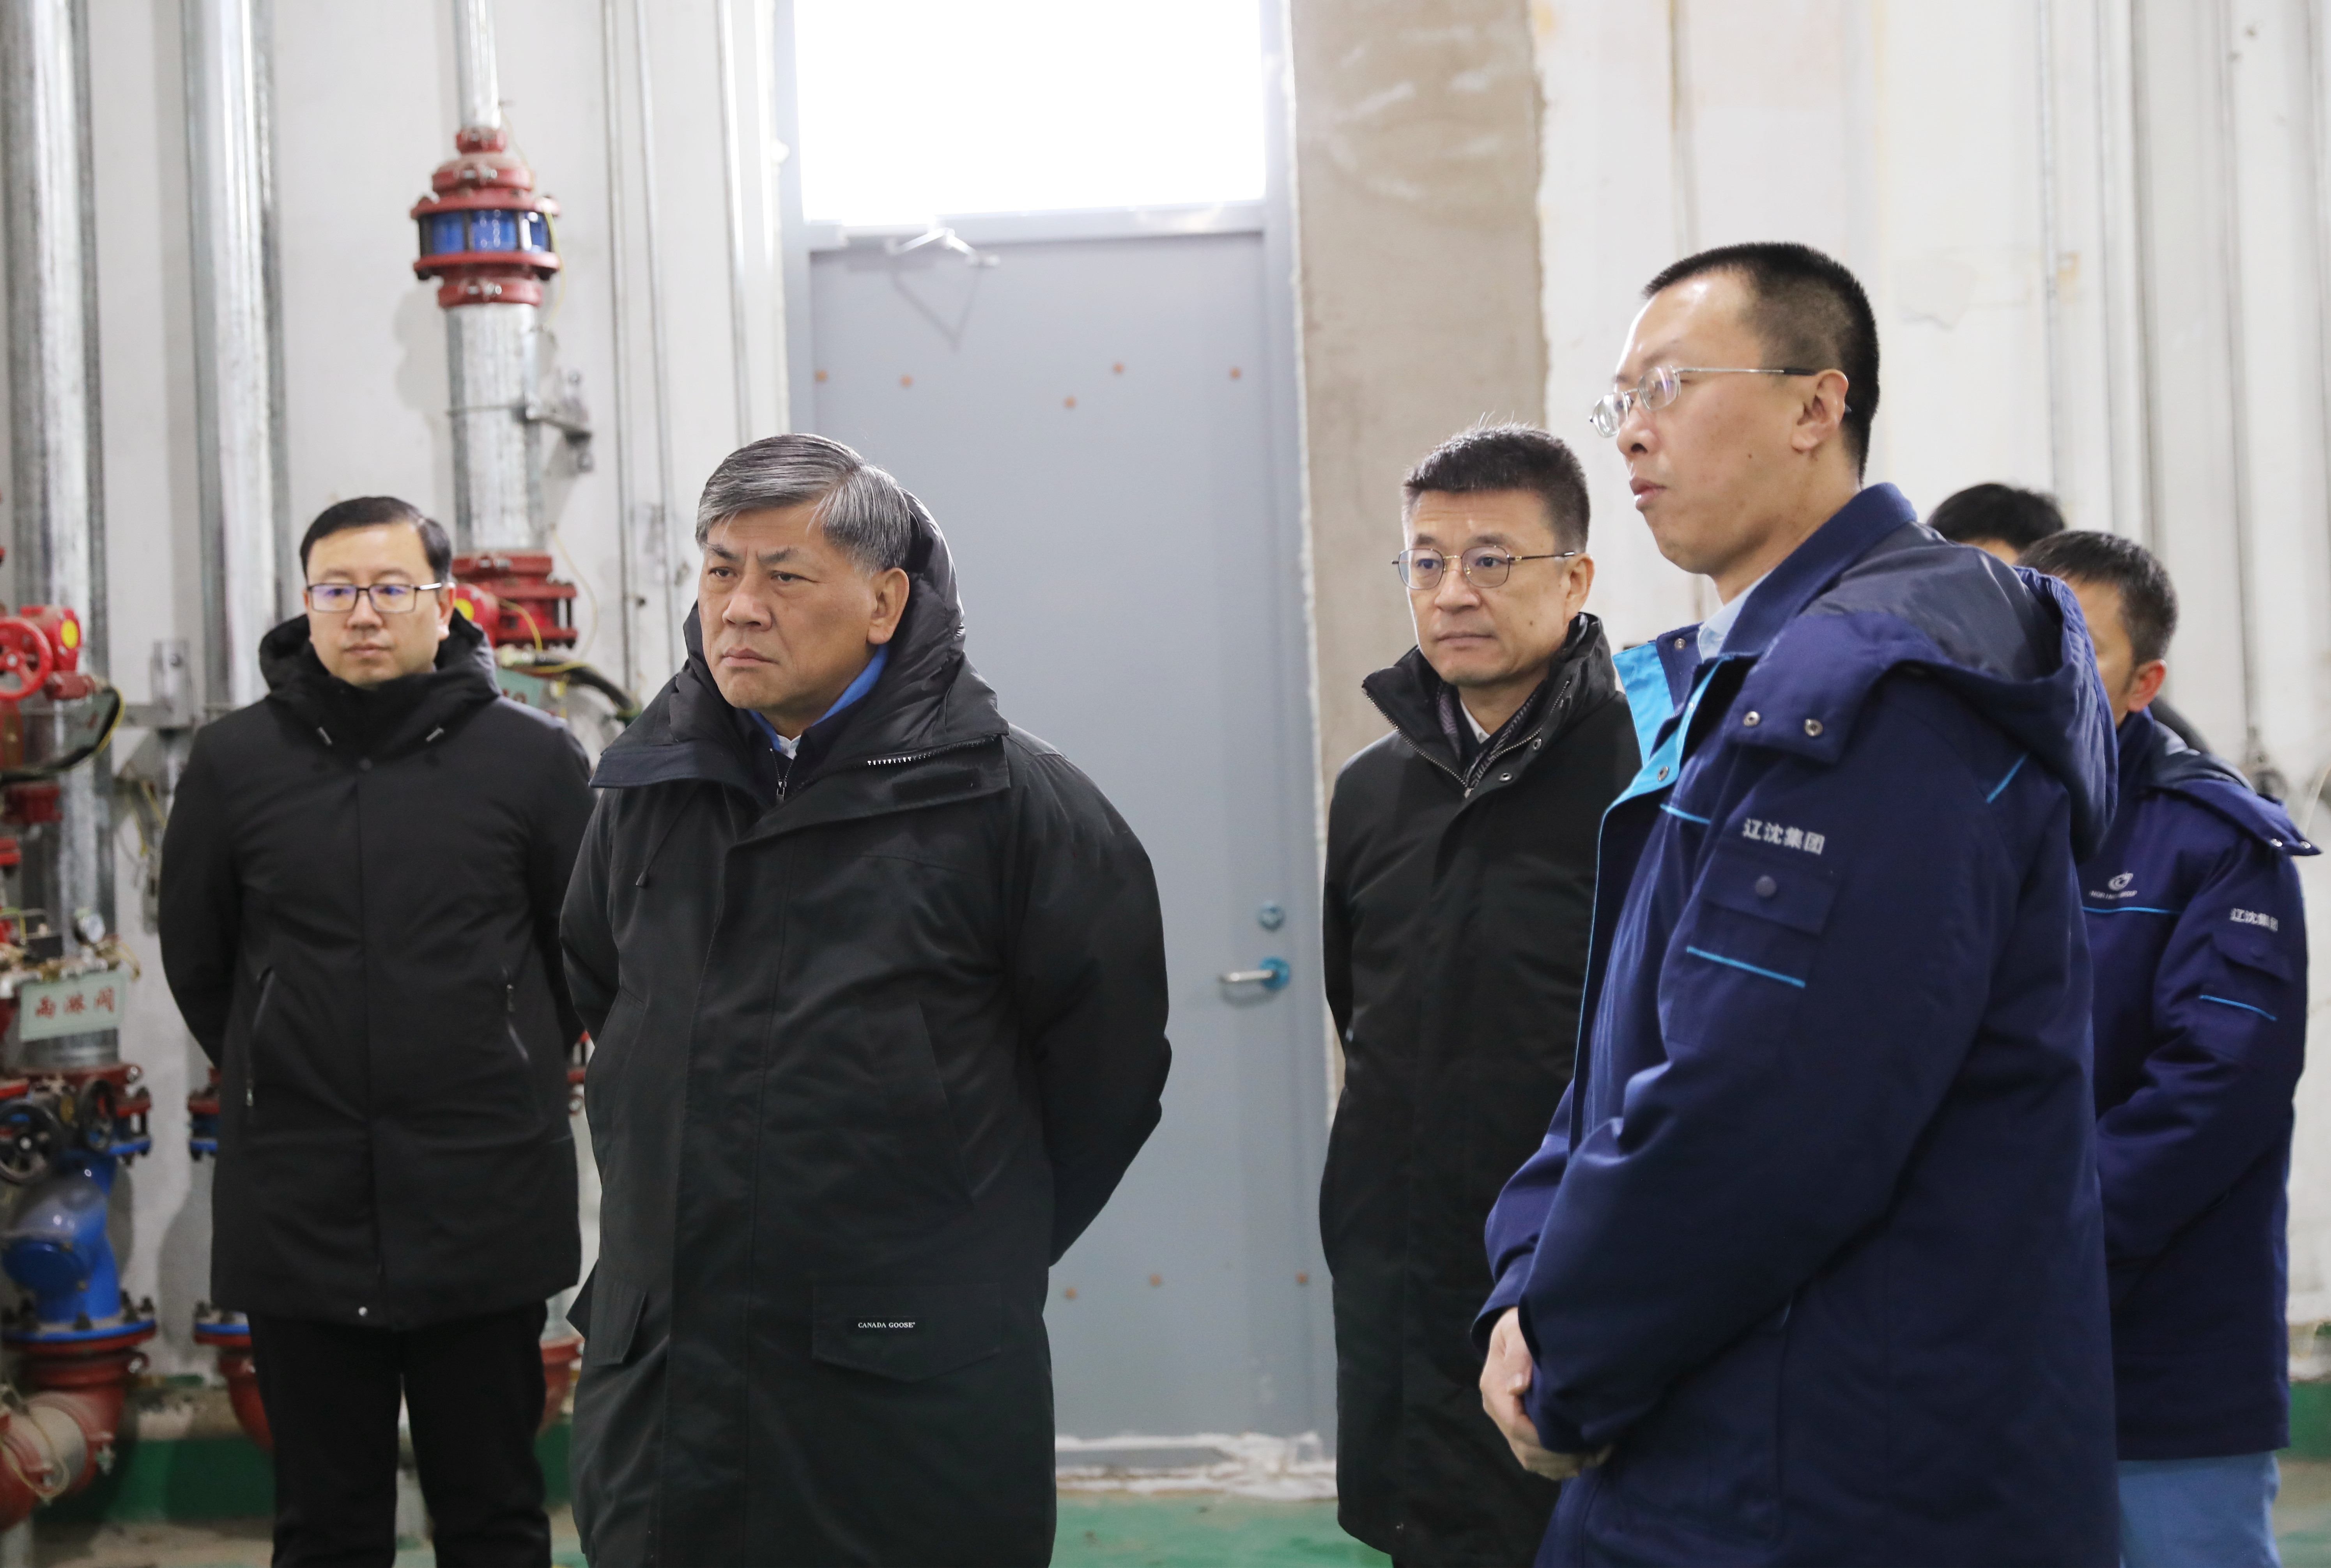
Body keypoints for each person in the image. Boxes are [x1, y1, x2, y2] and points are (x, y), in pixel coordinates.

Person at [1473, 242, 2120, 1565]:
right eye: (1619, 400)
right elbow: (1620, 1050)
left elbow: (1763, 1108)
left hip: (1825, 1458)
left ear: (1814, 406)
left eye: (1668, 386)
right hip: (1738, 1422)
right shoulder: (1752, 674)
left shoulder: (1877, 691)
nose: (1630, 434)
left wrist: (1570, 1347)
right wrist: (1524, 1285)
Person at [561, 433, 1171, 1566]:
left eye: (784, 575)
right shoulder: (643, 799)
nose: (740, 606)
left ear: (884, 601)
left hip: (906, 1394)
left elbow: (1108, 1074)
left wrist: (963, 1251)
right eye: (719, 569)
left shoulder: (1011, 804)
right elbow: (607, 996)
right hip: (667, 1392)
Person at [161, 496, 591, 1566]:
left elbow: (584, 954)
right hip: (300, 1192)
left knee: (494, 1513)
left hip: (480, 1190)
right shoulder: (232, 762)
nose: (364, 612)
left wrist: (505, 1057)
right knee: (325, 1525)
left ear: (444, 605)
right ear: (307, 603)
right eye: (338, 589)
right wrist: (282, 1050)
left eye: (393, 587)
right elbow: (202, 960)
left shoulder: (534, 760)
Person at [1320, 423, 1637, 1565]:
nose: (1453, 590)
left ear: (1575, 577)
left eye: (1492, 559)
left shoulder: (1650, 775)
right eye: (1426, 560)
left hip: (1578, 1262)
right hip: (1402, 1266)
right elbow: (1358, 1011)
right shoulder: (1371, 792)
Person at [2024, 531, 2313, 1568]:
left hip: (2163, 1356)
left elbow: (2215, 1088)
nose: (2039, 674)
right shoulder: (1957, 822)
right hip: (1977, 1354)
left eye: (2079, 650)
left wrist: (2031, 1235)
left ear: (2140, 683)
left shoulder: (2213, 841)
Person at [1931, 481, 2211, 754]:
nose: (1974, 618)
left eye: (1994, 591)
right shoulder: (1932, 707)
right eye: (1954, 593)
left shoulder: (2170, 767)